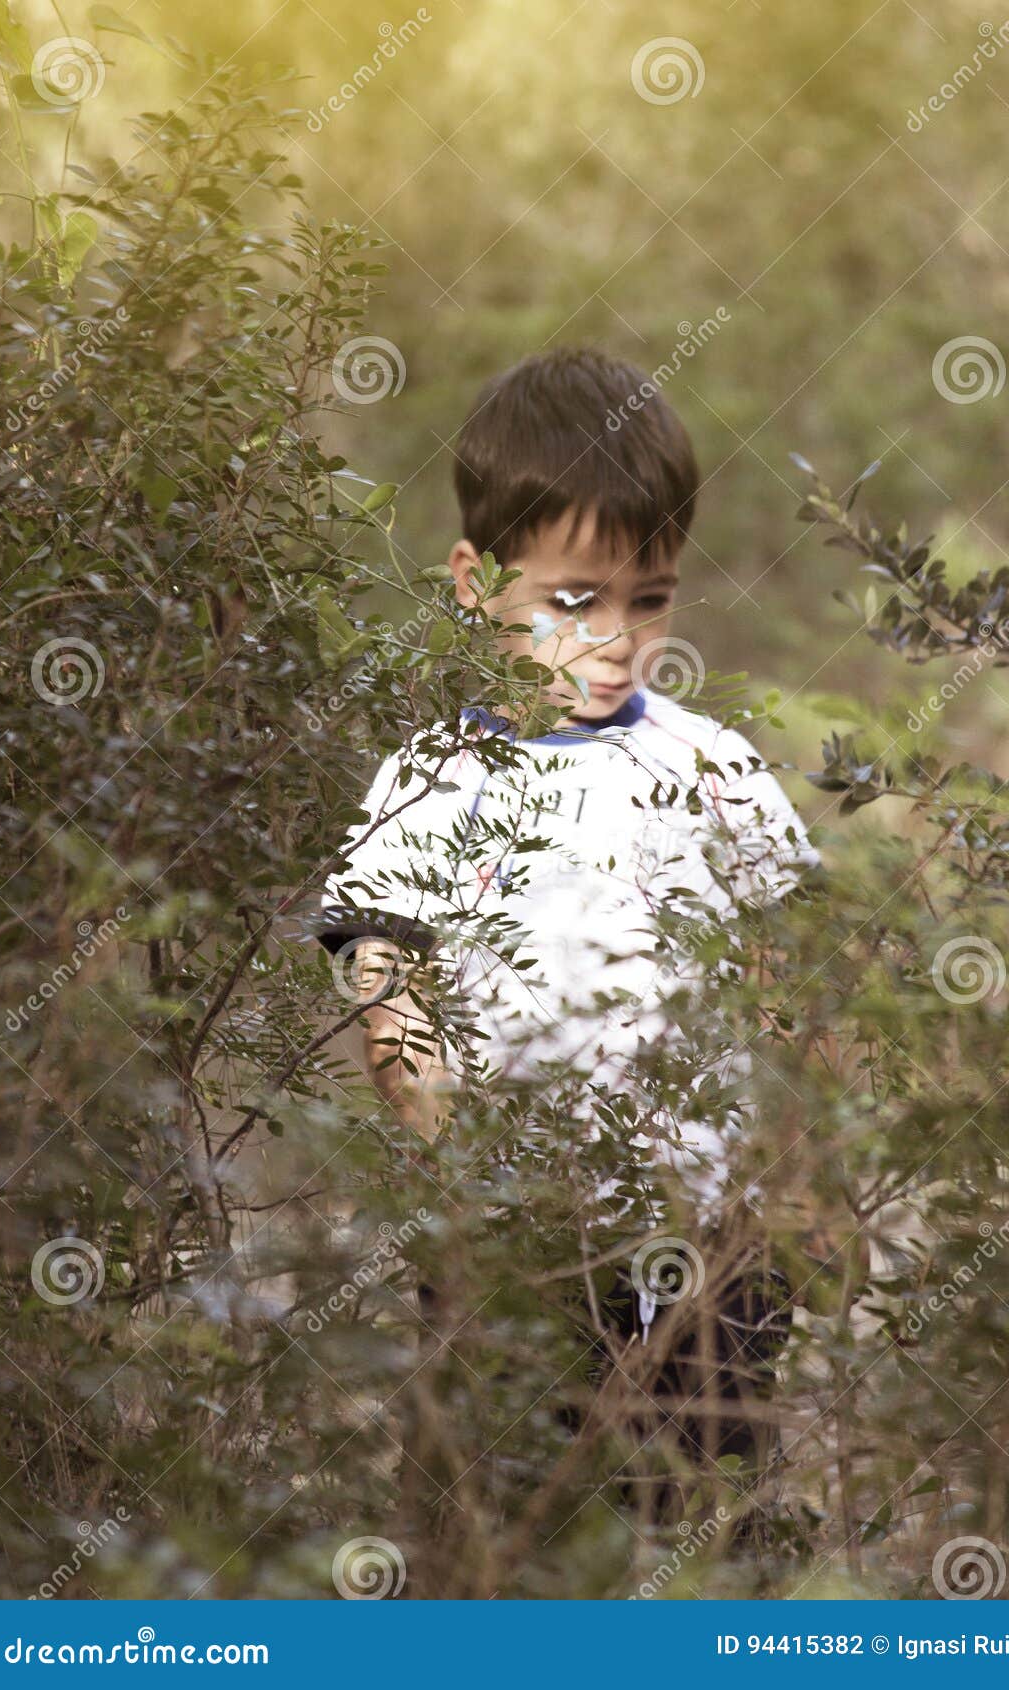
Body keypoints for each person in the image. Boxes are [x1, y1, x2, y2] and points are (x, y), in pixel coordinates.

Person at [320, 346, 822, 1522]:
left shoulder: (709, 764)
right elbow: (381, 964)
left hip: (706, 1244)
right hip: (512, 1238)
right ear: (472, 582)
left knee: (696, 1515)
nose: (612, 639)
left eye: (646, 600)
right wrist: (440, 1128)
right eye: (570, 601)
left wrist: (797, 1180)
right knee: (495, 1514)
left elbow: (790, 973)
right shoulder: (435, 776)